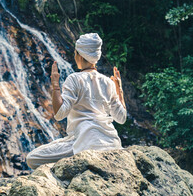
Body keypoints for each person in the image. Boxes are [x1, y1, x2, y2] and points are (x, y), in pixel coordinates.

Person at [26, 33, 127, 170]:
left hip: (84, 143)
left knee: (32, 158)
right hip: (111, 143)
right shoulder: (108, 82)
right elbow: (121, 118)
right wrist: (119, 90)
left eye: (75, 53)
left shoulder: (74, 79)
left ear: (79, 55)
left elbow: (60, 113)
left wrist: (55, 85)